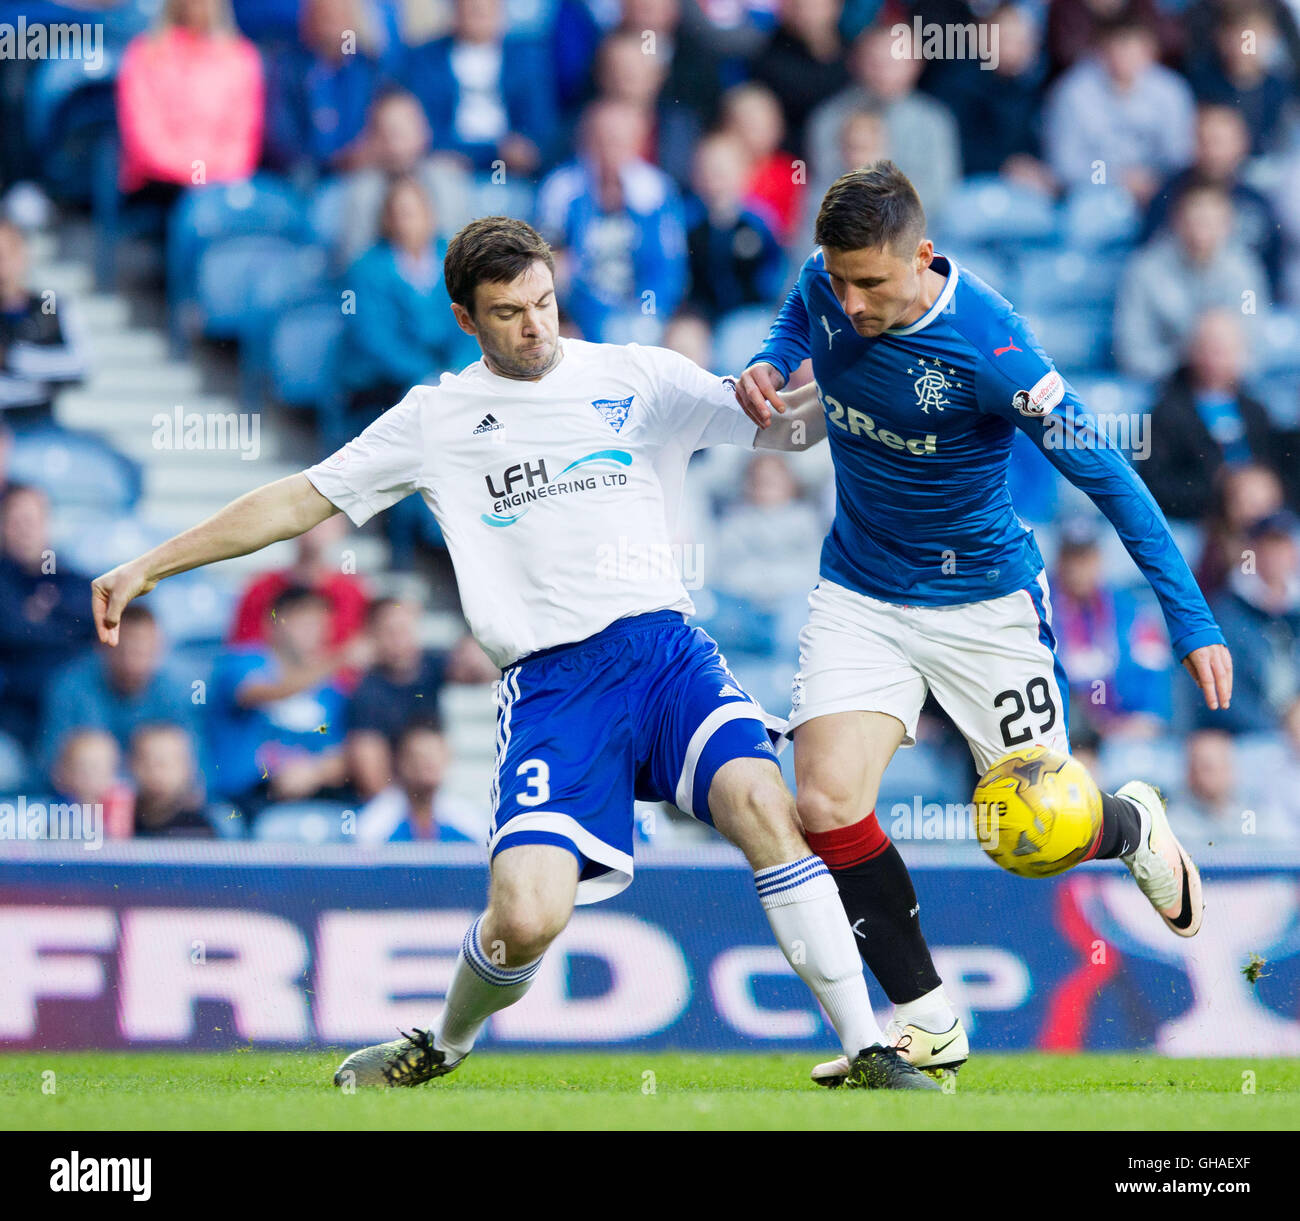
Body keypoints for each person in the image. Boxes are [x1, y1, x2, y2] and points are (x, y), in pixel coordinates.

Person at [91, 215, 937, 1092]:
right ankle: (443, 1042)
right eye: (509, 313)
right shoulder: (437, 418)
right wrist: (151, 563)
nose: (536, 326)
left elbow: (787, 430)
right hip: (553, 687)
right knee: (527, 918)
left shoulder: (635, 374)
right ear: (466, 318)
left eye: (544, 301)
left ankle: (867, 1045)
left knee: (764, 800)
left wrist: (875, 353)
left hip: (665, 653)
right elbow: (301, 500)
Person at [736, 160, 1232, 1086]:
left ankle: (1127, 827)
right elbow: (798, 313)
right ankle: (927, 1021)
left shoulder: (993, 346)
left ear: (921, 256)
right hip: (860, 595)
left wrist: (1193, 617)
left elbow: (1108, 475)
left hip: (983, 610)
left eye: (871, 283)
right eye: (837, 278)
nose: (850, 300)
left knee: (1034, 837)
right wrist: (772, 355)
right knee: (824, 804)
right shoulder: (828, 283)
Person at [536, 98, 687, 344]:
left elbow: (668, 268)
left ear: (636, 143)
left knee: (683, 340)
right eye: (599, 141)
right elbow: (548, 261)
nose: (607, 151)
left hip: (644, 310)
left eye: (617, 142)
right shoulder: (561, 188)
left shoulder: (657, 191)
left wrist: (648, 314)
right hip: (580, 310)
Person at [337, 175, 480, 427]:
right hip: (385, 382)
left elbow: (474, 322)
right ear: (387, 220)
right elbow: (374, 338)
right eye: (401, 214)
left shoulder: (456, 260)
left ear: (431, 215)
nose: (408, 223)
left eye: (415, 212)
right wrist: (424, 374)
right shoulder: (366, 269)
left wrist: (457, 371)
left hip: (452, 375)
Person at [207, 585, 353, 819]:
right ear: (274, 622)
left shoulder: (332, 690)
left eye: (320, 623)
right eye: (304, 622)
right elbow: (259, 693)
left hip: (311, 800)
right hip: (244, 803)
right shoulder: (243, 663)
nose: (314, 632)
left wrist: (314, 772)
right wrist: (335, 662)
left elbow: (342, 753)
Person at [1140, 309, 1296, 522]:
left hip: (1262, 526)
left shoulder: (1256, 412)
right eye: (1210, 348)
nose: (1217, 359)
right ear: (1192, 351)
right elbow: (1154, 485)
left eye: (1226, 350)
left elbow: (1276, 469)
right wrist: (1222, 489)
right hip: (1204, 524)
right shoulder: (1166, 414)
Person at [1114, 183, 1269, 382]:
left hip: (1230, 385)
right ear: (1176, 221)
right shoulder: (1144, 270)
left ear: (1228, 225)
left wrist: (1216, 366)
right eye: (1195, 221)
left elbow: (1255, 348)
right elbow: (1132, 352)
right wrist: (1192, 363)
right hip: (1167, 387)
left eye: (1211, 222)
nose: (1201, 232)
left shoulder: (1244, 269)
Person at [1042, 12, 1194, 206]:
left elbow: (1180, 155)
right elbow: (1064, 164)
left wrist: (1150, 180)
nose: (1123, 57)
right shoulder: (1072, 92)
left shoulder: (1172, 90)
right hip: (1094, 192)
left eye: (1131, 48)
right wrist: (1114, 178)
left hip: (1159, 189)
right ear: (1099, 51)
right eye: (1115, 48)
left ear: (1150, 50)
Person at [115, 0, 264, 197]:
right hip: (159, 185)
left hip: (221, 186)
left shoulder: (240, 57)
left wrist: (206, 177)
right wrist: (194, 175)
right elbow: (144, 136)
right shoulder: (145, 54)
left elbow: (243, 138)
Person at [37, 603, 198, 780]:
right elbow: (52, 763)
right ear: (102, 646)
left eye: (142, 652)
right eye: (123, 650)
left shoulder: (176, 690)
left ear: (159, 649)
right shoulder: (70, 686)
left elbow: (196, 766)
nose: (132, 662)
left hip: (156, 799)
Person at [398, 0, 556, 175]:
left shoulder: (526, 59)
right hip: (448, 167)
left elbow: (539, 125)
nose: (480, 13)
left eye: (487, 7)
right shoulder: (425, 60)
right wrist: (491, 152)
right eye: (472, 8)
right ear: (455, 11)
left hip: (509, 168)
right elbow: (422, 128)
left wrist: (520, 150)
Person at [0, 483, 96, 749]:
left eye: (32, 520)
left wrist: (34, 619)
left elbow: (94, 619)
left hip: (72, 724)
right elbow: (12, 630)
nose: (25, 530)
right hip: (12, 723)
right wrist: (59, 625)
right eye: (16, 521)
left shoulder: (73, 580)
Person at [334, 89, 474, 270]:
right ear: (371, 137)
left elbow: (467, 258)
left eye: (401, 131)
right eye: (384, 132)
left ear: (423, 130)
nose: (394, 142)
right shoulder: (361, 191)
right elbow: (352, 262)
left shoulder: (449, 182)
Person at [1201, 510, 1300, 735]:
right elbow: (1226, 692)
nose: (1276, 556)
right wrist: (1278, 730)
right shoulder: (1227, 612)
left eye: (1282, 546)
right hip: (1248, 739)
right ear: (1252, 552)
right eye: (1269, 546)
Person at [228, 513, 370, 649]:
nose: (315, 526)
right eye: (307, 516)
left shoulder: (353, 592)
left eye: (325, 518)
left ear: (341, 527)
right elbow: (244, 655)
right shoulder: (260, 589)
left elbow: (359, 655)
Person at [683, 134, 784, 323]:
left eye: (721, 173)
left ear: (744, 174)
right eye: (705, 172)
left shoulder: (759, 221)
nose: (713, 181)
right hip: (697, 315)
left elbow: (776, 268)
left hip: (751, 313)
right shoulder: (686, 221)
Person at [0, 221, 89, 428]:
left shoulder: (48, 305)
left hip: (36, 422)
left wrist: (14, 358)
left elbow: (81, 363)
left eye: (5, 256)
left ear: (22, 257)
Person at [355, 718, 481, 843]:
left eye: (433, 756)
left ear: (446, 757)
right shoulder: (375, 824)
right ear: (401, 762)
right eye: (419, 757)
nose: (427, 765)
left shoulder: (468, 821)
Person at [127, 722, 220, 838]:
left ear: (187, 767)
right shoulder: (121, 819)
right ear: (131, 765)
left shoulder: (197, 827)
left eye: (165, 763)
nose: (156, 772)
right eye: (147, 762)